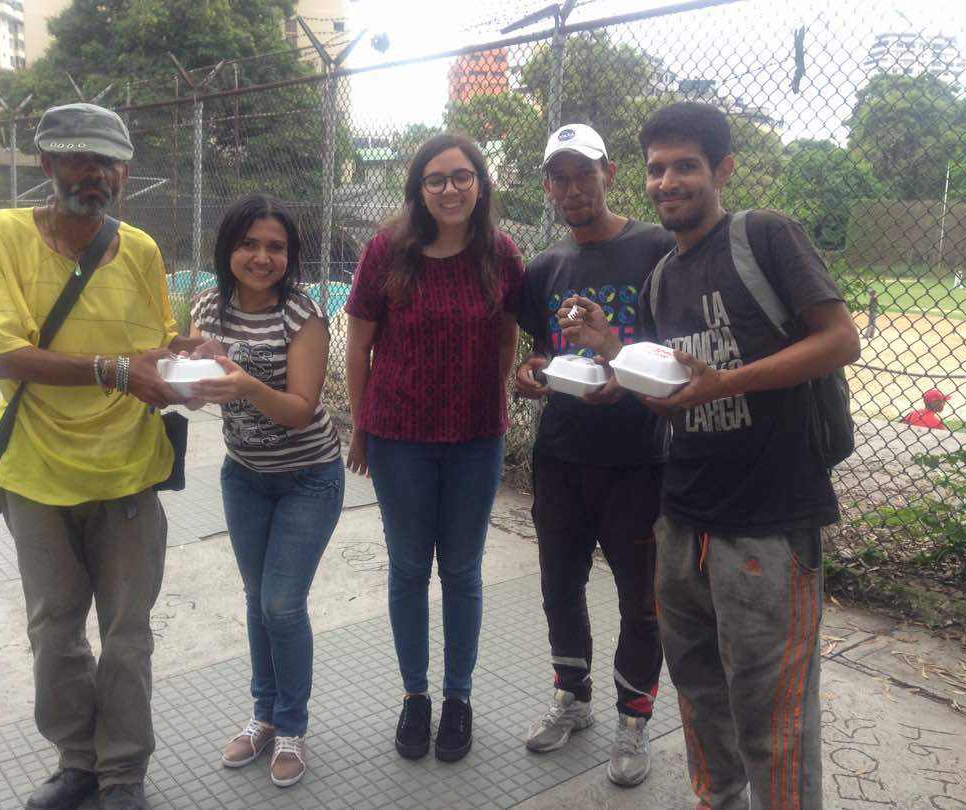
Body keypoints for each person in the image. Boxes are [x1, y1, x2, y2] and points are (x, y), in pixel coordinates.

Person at [561, 102, 860, 809]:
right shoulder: (664, 276)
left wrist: (733, 381)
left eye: (686, 166)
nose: (669, 181)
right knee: (699, 697)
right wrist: (614, 363)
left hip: (768, 522)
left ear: (722, 170)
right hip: (683, 517)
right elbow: (677, 382)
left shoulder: (764, 236)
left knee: (774, 718)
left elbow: (839, 339)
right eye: (658, 169)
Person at [0, 103, 222, 810]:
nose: (96, 174)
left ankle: (122, 773)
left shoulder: (137, 248)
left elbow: (154, 350)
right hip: (38, 473)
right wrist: (113, 371)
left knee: (128, 636)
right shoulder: (4, 234)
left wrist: (188, 362)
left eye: (108, 162)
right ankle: (77, 762)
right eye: (79, 158)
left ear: (125, 171)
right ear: (46, 164)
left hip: (128, 470)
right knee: (54, 632)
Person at [344, 133, 523, 762]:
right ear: (419, 188)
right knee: (409, 568)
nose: (450, 189)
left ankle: (459, 698)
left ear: (481, 184)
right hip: (399, 439)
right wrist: (362, 426)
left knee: (463, 571)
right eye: (436, 179)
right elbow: (358, 347)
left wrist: (486, 399)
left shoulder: (499, 254)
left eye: (462, 176)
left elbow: (507, 341)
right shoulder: (386, 251)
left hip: (476, 437)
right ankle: (415, 696)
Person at [513, 123, 672, 787]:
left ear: (610, 173)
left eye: (585, 173)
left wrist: (621, 376)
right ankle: (571, 700)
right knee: (559, 587)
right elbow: (538, 352)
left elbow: (676, 353)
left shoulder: (657, 249)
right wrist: (530, 372)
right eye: (560, 177)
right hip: (561, 454)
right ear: (548, 186)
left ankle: (633, 722)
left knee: (640, 597)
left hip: (639, 456)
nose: (573, 188)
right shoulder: (547, 267)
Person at [187, 194, 345, 788]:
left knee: (281, 603)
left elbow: (303, 410)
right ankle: (261, 717)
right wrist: (189, 378)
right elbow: (200, 386)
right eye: (249, 243)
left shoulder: (302, 315)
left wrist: (246, 384)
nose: (261, 257)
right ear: (229, 248)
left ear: (290, 255)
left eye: (275, 246)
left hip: (309, 476)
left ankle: (292, 727)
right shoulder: (208, 302)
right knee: (257, 601)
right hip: (244, 476)